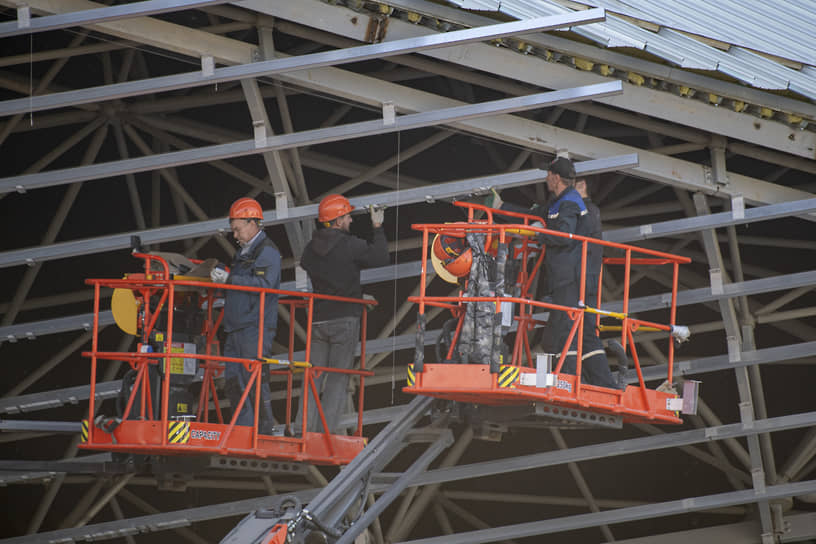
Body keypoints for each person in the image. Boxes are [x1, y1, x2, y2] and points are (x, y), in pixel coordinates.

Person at [488, 158, 617, 388]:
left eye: (548, 175)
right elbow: (535, 216)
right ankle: (605, 385)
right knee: (585, 335)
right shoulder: (560, 202)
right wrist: (500, 207)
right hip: (579, 278)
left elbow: (565, 235)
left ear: (556, 177)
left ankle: (566, 383)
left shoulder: (568, 203)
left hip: (571, 279)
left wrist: (539, 234)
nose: (546, 179)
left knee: (559, 335)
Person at [295, 194, 389, 434]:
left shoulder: (311, 248)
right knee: (337, 379)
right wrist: (377, 228)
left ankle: (302, 428)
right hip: (345, 319)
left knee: (313, 375)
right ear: (337, 221)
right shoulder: (350, 245)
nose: (350, 220)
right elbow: (380, 257)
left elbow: (306, 263)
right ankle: (324, 432)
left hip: (318, 320)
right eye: (347, 216)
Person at [210, 197, 282, 434]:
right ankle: (244, 430)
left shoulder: (267, 252)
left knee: (254, 381)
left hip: (254, 327)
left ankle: (262, 429)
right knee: (234, 382)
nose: (235, 235)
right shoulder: (244, 254)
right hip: (236, 327)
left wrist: (229, 279)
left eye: (238, 229)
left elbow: (264, 284)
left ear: (253, 223)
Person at [574, 177, 619, 388]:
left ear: (581, 185)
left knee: (578, 332)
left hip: (580, 283)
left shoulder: (585, 211)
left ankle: (600, 383)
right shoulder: (589, 212)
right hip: (584, 281)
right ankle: (595, 382)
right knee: (579, 333)